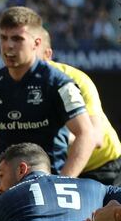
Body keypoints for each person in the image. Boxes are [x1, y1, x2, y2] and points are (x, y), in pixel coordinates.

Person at [0, 6, 94, 180]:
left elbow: (86, 134)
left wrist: (63, 182)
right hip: (6, 189)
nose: (9, 45)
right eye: (4, 38)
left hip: (48, 186)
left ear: (36, 43)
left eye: (17, 39)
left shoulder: (58, 84)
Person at [36, 28, 121, 186]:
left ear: (47, 54)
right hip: (55, 167)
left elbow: (95, 136)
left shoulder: (76, 80)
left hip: (101, 165)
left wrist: (61, 186)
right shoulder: (8, 84)